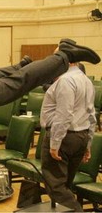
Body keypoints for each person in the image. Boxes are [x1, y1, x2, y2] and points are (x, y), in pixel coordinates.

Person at [40, 40, 97, 211]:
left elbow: (64, 115)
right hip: (80, 136)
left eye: (57, 57)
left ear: (66, 59)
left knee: (56, 187)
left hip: (63, 138)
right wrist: (88, 143)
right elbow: (91, 115)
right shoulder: (85, 80)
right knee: (65, 186)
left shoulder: (65, 81)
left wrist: (55, 143)